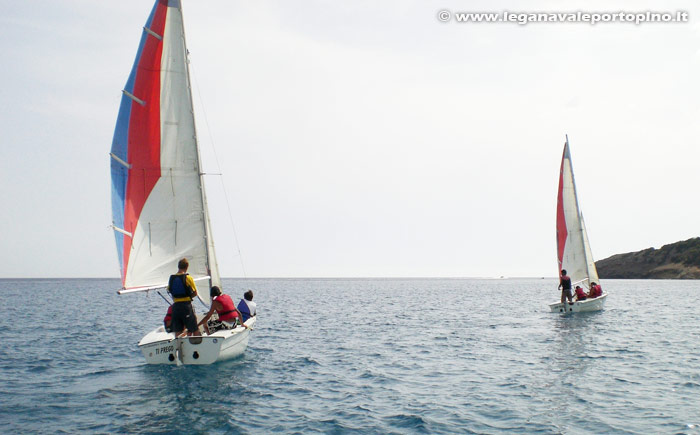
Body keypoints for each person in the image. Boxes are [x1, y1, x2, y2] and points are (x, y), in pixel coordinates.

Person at [167, 258, 200, 338]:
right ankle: (197, 344)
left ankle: (179, 348)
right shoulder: (188, 278)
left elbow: (169, 290)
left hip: (175, 307)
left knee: (178, 331)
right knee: (194, 329)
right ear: (186, 267)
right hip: (186, 306)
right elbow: (195, 293)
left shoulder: (171, 278)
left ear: (178, 266)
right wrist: (189, 297)